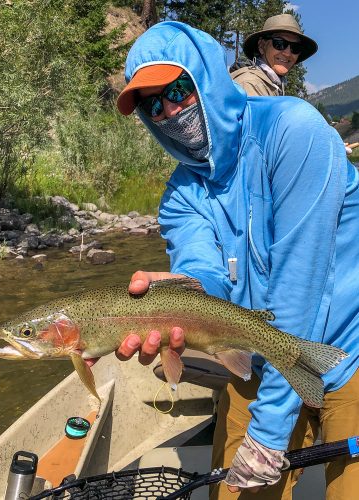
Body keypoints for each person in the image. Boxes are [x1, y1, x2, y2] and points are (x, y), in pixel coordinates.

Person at [114, 21, 359, 499]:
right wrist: (184, 296)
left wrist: (268, 435)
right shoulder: (180, 197)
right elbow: (209, 279)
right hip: (259, 357)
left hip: (347, 350)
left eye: (178, 89)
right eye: (151, 103)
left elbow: (301, 288)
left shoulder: (294, 132)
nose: (168, 111)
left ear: (206, 78)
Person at [230, 14, 317, 96]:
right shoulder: (251, 84)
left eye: (296, 47)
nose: (287, 53)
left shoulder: (271, 84)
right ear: (262, 46)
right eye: (279, 43)